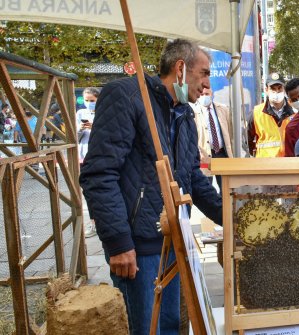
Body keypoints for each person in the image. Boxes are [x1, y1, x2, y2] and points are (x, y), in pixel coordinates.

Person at [79, 39, 223, 335]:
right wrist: (118, 241)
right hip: (136, 244)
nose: (207, 85)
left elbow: (192, 177)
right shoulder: (128, 96)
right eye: (205, 73)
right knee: (147, 327)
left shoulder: (183, 114)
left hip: (172, 239)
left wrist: (231, 216)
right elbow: (99, 173)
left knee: (170, 325)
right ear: (181, 69)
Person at [193, 87, 232, 189]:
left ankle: (224, 205)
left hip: (222, 154)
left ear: (212, 94)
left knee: (225, 188)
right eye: (201, 94)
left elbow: (230, 131)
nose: (204, 97)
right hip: (204, 156)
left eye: (207, 94)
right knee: (206, 188)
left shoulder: (223, 109)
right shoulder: (193, 112)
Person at [247, 72, 294, 157]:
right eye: (273, 89)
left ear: (284, 90)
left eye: (279, 88)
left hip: (289, 163)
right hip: (265, 165)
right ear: (266, 90)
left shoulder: (294, 112)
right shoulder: (256, 113)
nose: (276, 92)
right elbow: (248, 140)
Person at [76, 87, 100, 238]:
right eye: (87, 100)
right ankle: (94, 223)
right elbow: (73, 137)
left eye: (92, 101)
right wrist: (80, 128)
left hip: (100, 155)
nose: (89, 103)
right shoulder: (80, 114)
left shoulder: (104, 112)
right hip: (84, 156)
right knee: (88, 191)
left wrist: (95, 127)